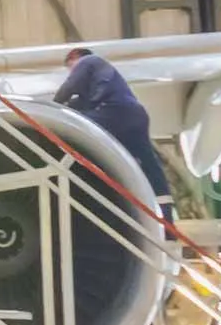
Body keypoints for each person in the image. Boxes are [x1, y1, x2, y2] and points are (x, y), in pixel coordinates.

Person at [51, 46, 170, 213]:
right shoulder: (103, 82)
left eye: (71, 68)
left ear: (74, 59)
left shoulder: (88, 61)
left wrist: (52, 108)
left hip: (112, 112)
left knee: (75, 135)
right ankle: (166, 218)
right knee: (148, 164)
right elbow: (77, 104)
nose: (71, 72)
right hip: (135, 116)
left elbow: (68, 89)